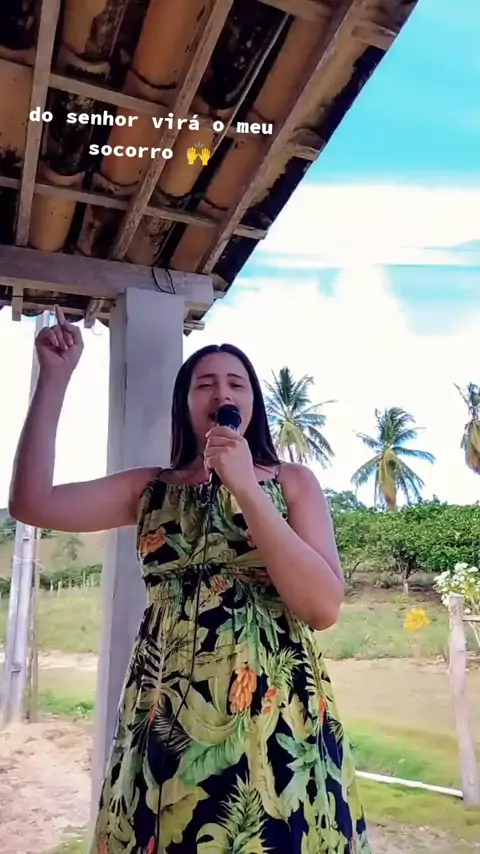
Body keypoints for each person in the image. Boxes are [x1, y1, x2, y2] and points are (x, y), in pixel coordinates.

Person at [9, 306, 371, 854]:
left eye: (236, 383)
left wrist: (246, 487)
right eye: (205, 383)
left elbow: (322, 607)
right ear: (185, 404)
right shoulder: (149, 488)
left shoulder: (293, 483)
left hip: (274, 712)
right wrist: (54, 380)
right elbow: (32, 503)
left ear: (253, 403)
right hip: (166, 710)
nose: (221, 392)